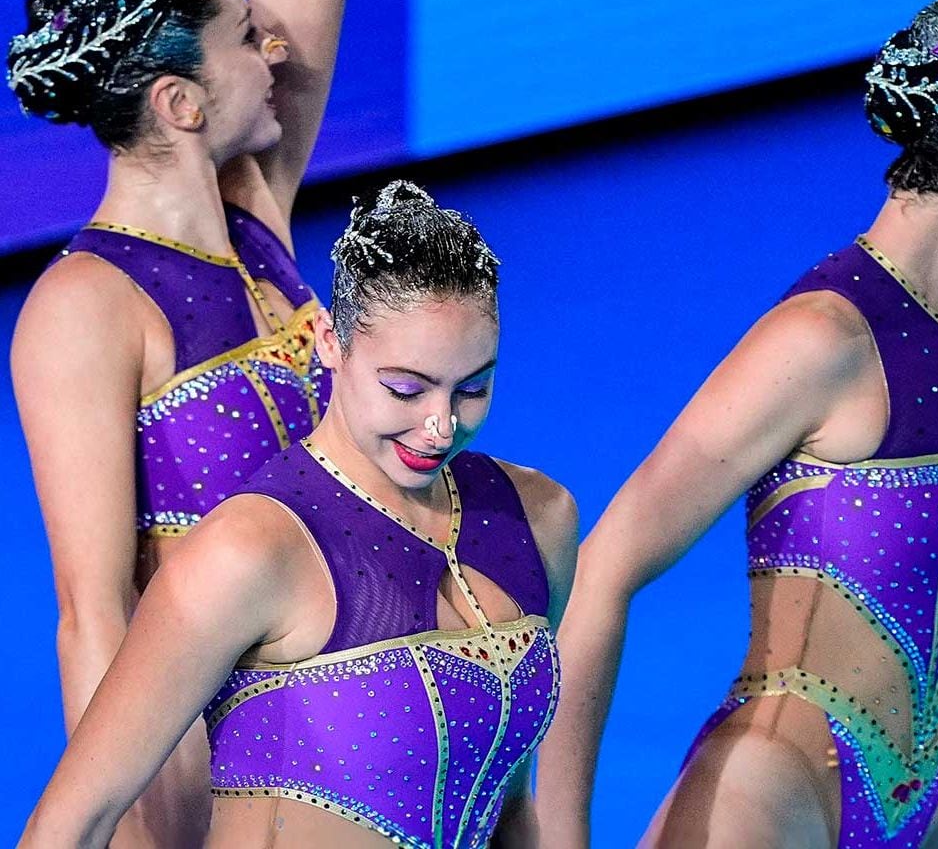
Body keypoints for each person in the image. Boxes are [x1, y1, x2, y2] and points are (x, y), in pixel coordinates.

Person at [536, 0, 938, 848]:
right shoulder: (820, 338)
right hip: (773, 798)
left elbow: (881, 622)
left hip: (930, 801)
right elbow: (601, 572)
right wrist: (555, 840)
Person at [19, 180, 578, 849]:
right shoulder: (249, 552)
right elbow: (69, 822)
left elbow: (510, 804)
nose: (439, 425)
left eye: (473, 387)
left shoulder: (537, 518)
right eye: (405, 388)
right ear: (329, 344)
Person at [8, 0, 350, 842]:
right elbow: (97, 617)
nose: (280, 49)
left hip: (377, 707)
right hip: (241, 758)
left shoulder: (260, 214)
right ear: (181, 101)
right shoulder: (84, 308)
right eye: (251, 36)